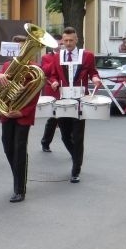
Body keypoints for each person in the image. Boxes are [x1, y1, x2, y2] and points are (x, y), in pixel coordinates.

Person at [46, 27, 101, 183]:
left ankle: (76, 170)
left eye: (71, 40)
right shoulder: (57, 57)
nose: (68, 43)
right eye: (66, 41)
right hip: (63, 100)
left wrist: (95, 79)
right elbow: (53, 75)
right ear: (62, 41)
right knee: (64, 136)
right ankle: (76, 155)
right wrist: (55, 82)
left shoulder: (87, 55)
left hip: (80, 101)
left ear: (77, 40)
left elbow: (93, 72)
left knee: (78, 137)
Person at [0, 35, 40, 202]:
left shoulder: (34, 68)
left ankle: (19, 189)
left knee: (19, 149)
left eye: (23, 48)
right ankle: (19, 176)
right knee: (7, 147)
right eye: (18, 49)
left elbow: (35, 93)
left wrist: (23, 112)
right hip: (7, 112)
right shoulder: (7, 65)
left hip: (22, 115)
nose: (20, 52)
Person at [40, 47, 59, 152]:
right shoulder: (46, 57)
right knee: (53, 119)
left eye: (61, 43)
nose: (60, 45)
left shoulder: (68, 56)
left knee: (70, 119)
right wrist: (56, 58)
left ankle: (73, 145)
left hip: (66, 89)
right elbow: (45, 71)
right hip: (53, 90)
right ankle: (45, 143)